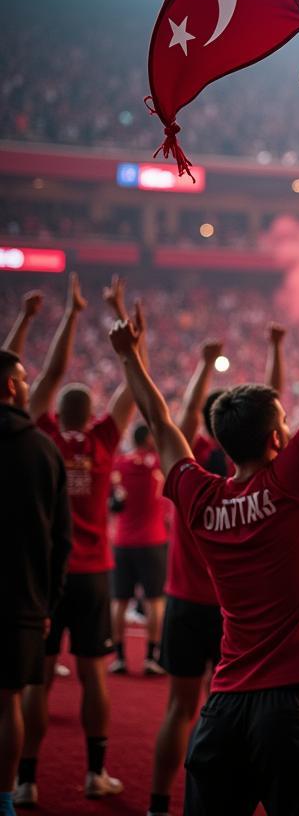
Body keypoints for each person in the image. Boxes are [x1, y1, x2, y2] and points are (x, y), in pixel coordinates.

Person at [108, 230, 299, 815]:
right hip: (293, 709)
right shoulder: (292, 481)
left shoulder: (199, 496)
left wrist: (131, 357)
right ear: (280, 437)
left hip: (225, 707)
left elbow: (161, 423)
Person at [17, 274, 139, 805]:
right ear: (87, 415)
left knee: (39, 680)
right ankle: (95, 773)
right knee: (93, 676)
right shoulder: (103, 439)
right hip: (93, 573)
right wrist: (132, 338)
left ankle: (25, 780)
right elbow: (134, 391)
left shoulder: (38, 435)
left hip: (44, 575)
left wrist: (69, 313)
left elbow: (49, 374)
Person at [147, 343, 229, 816]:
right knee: (219, 714)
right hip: (228, 614)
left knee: (177, 711)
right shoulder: (251, 495)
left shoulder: (190, 485)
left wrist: (200, 365)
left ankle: (159, 806)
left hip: (182, 605)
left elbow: (172, 421)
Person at [0, 348, 71, 816]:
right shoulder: (43, 448)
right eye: (22, 379)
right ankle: (5, 797)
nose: (28, 386)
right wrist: (47, 605)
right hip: (21, 598)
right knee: (9, 703)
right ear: (10, 386)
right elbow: (58, 541)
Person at [109, 424, 168, 677]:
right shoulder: (158, 464)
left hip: (123, 541)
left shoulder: (119, 464)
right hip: (153, 540)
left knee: (119, 601)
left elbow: (113, 502)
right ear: (149, 439)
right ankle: (151, 657)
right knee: (155, 601)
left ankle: (119, 657)